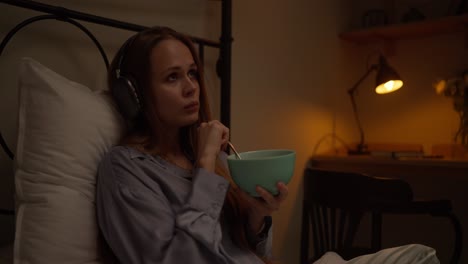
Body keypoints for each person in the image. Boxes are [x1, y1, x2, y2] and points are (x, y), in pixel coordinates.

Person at [96, 26, 288, 264]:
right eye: (172, 77)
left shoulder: (216, 160)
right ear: (135, 95)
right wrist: (205, 164)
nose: (191, 88)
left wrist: (256, 215)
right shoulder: (125, 168)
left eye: (193, 73)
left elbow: (250, 253)